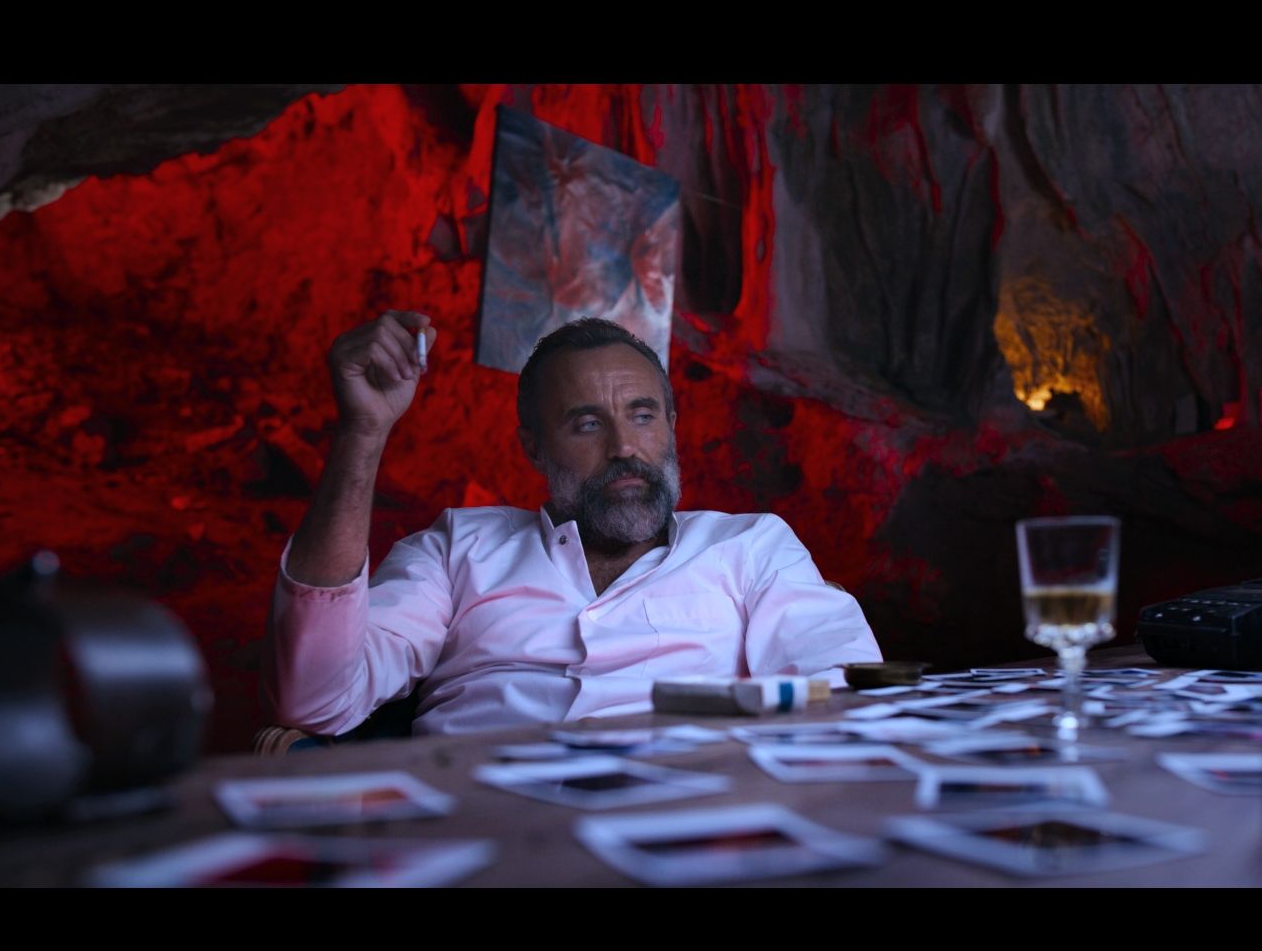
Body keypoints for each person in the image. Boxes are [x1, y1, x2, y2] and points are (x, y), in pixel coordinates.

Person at [265, 310, 881, 736]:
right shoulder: (456, 551)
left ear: (671, 426)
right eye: (587, 424)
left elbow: (847, 701)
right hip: (485, 838)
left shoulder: (753, 547)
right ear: (533, 448)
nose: (624, 447)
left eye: (643, 416)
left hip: (689, 833)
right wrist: (364, 432)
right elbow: (316, 700)